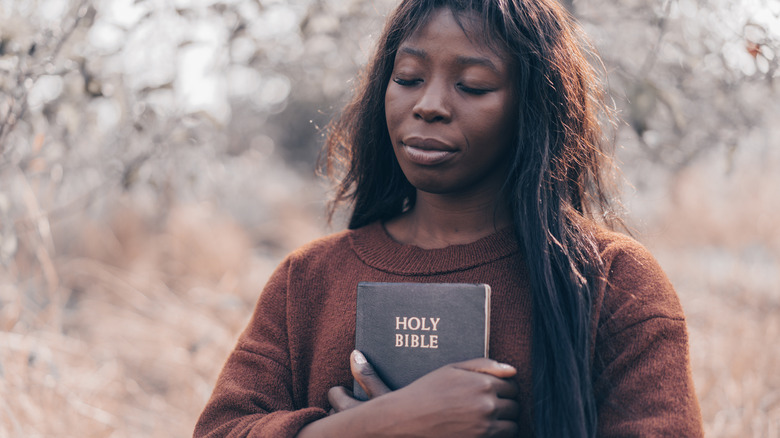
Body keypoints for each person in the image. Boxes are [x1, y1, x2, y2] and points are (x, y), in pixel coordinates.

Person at [194, 0, 704, 436]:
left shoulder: (611, 281)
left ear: (532, 106)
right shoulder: (307, 280)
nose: (429, 105)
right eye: (409, 78)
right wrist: (373, 426)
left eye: (474, 85)